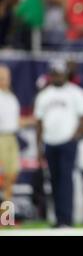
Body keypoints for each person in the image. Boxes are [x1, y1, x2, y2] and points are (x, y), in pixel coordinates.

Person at [34, 59, 83, 227]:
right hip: (50, 142)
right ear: (50, 75)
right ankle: (58, 219)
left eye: (59, 74)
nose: (56, 77)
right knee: (53, 181)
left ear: (65, 74)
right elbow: (39, 122)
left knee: (66, 180)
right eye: (54, 74)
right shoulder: (44, 95)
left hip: (68, 142)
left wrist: (76, 135)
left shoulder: (76, 93)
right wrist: (39, 146)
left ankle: (67, 219)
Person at [0, 65, 20, 204]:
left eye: (6, 77)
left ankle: (6, 217)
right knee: (2, 177)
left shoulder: (11, 97)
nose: (5, 80)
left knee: (12, 175)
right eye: (2, 77)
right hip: (1, 137)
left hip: (12, 137)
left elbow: (15, 121)